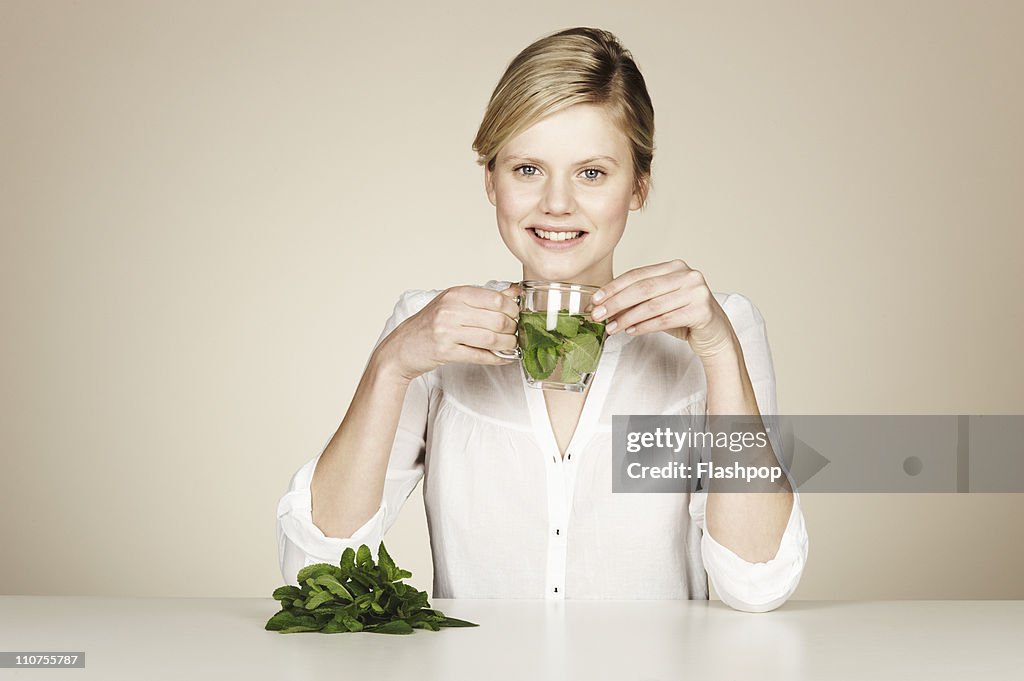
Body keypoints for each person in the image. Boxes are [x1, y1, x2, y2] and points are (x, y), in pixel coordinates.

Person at [277, 27, 808, 612]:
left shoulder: (720, 329)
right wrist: (391, 365)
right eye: (528, 169)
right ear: (491, 181)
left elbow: (757, 585)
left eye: (592, 173)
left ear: (639, 187)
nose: (557, 203)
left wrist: (720, 355)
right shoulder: (428, 332)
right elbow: (317, 572)